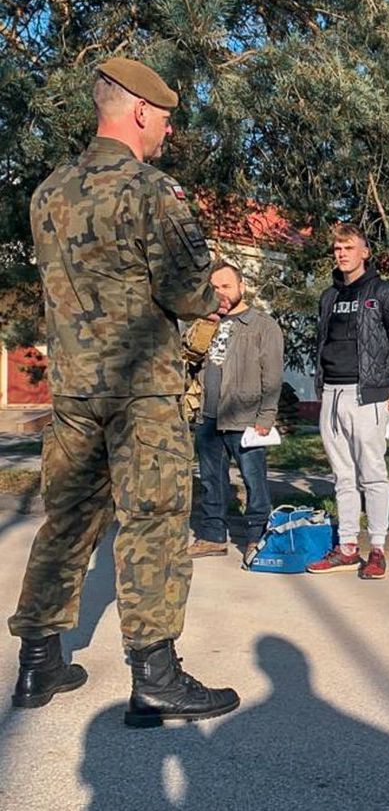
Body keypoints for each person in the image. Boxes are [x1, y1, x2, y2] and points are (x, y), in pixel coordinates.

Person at [8, 58, 240, 726]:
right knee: (153, 519)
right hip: (142, 389)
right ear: (139, 110)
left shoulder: (48, 193)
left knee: (69, 521)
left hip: (76, 390)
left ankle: (39, 661)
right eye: (165, 116)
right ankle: (156, 674)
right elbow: (191, 289)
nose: (168, 129)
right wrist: (214, 292)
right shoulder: (150, 191)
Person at [307, 224, 389, 579]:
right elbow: (322, 341)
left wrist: (387, 389)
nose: (341, 253)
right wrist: (321, 386)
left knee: (373, 474)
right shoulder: (329, 297)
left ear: (365, 252)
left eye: (348, 247)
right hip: (332, 394)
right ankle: (348, 546)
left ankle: (378, 548)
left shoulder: (383, 293)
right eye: (337, 248)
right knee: (342, 475)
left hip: (367, 393)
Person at [187, 261, 284, 564]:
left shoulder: (262, 326)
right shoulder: (206, 323)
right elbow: (190, 362)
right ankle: (212, 536)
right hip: (209, 415)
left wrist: (266, 416)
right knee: (210, 480)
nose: (220, 293)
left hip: (245, 418)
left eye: (226, 286)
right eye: (214, 288)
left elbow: (272, 375)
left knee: (254, 481)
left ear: (242, 287)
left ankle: (257, 536)